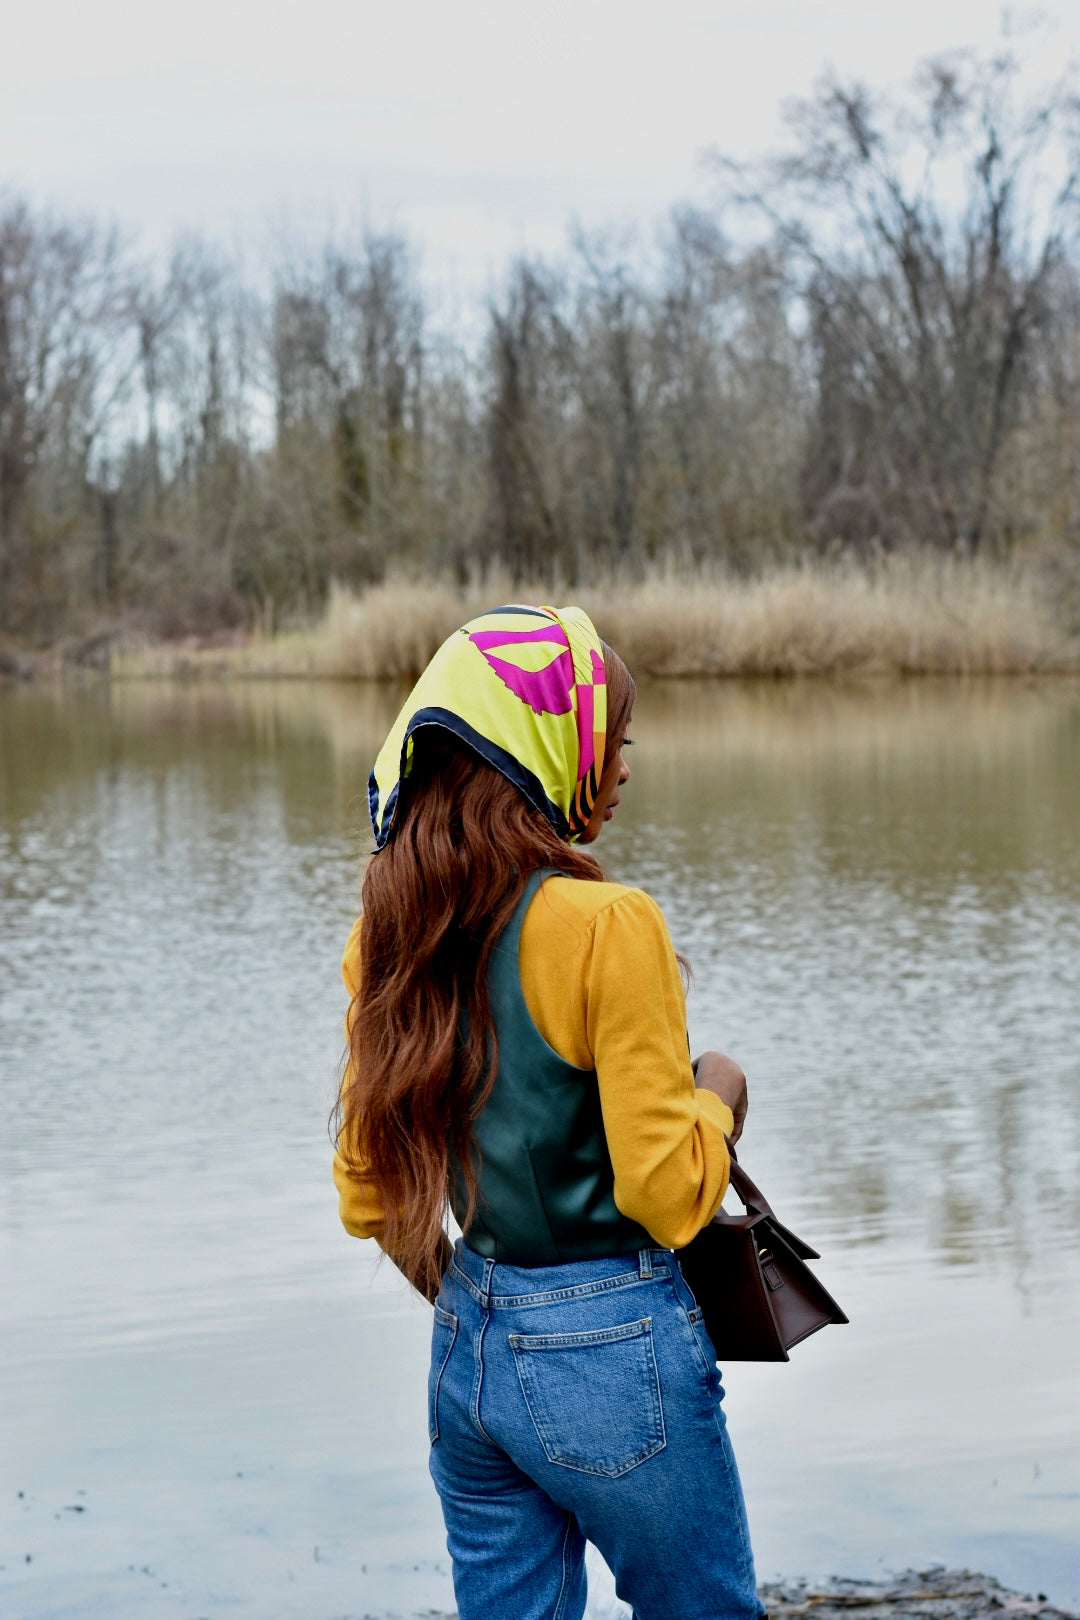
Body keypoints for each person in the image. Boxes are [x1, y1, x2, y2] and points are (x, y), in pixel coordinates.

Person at [333, 603, 764, 1620]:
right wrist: (725, 1094)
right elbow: (668, 1197)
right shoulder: (608, 926)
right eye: (612, 742)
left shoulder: (387, 937)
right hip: (613, 1349)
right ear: (544, 745)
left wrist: (481, 1305)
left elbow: (368, 1191)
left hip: (467, 1356)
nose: (621, 769)